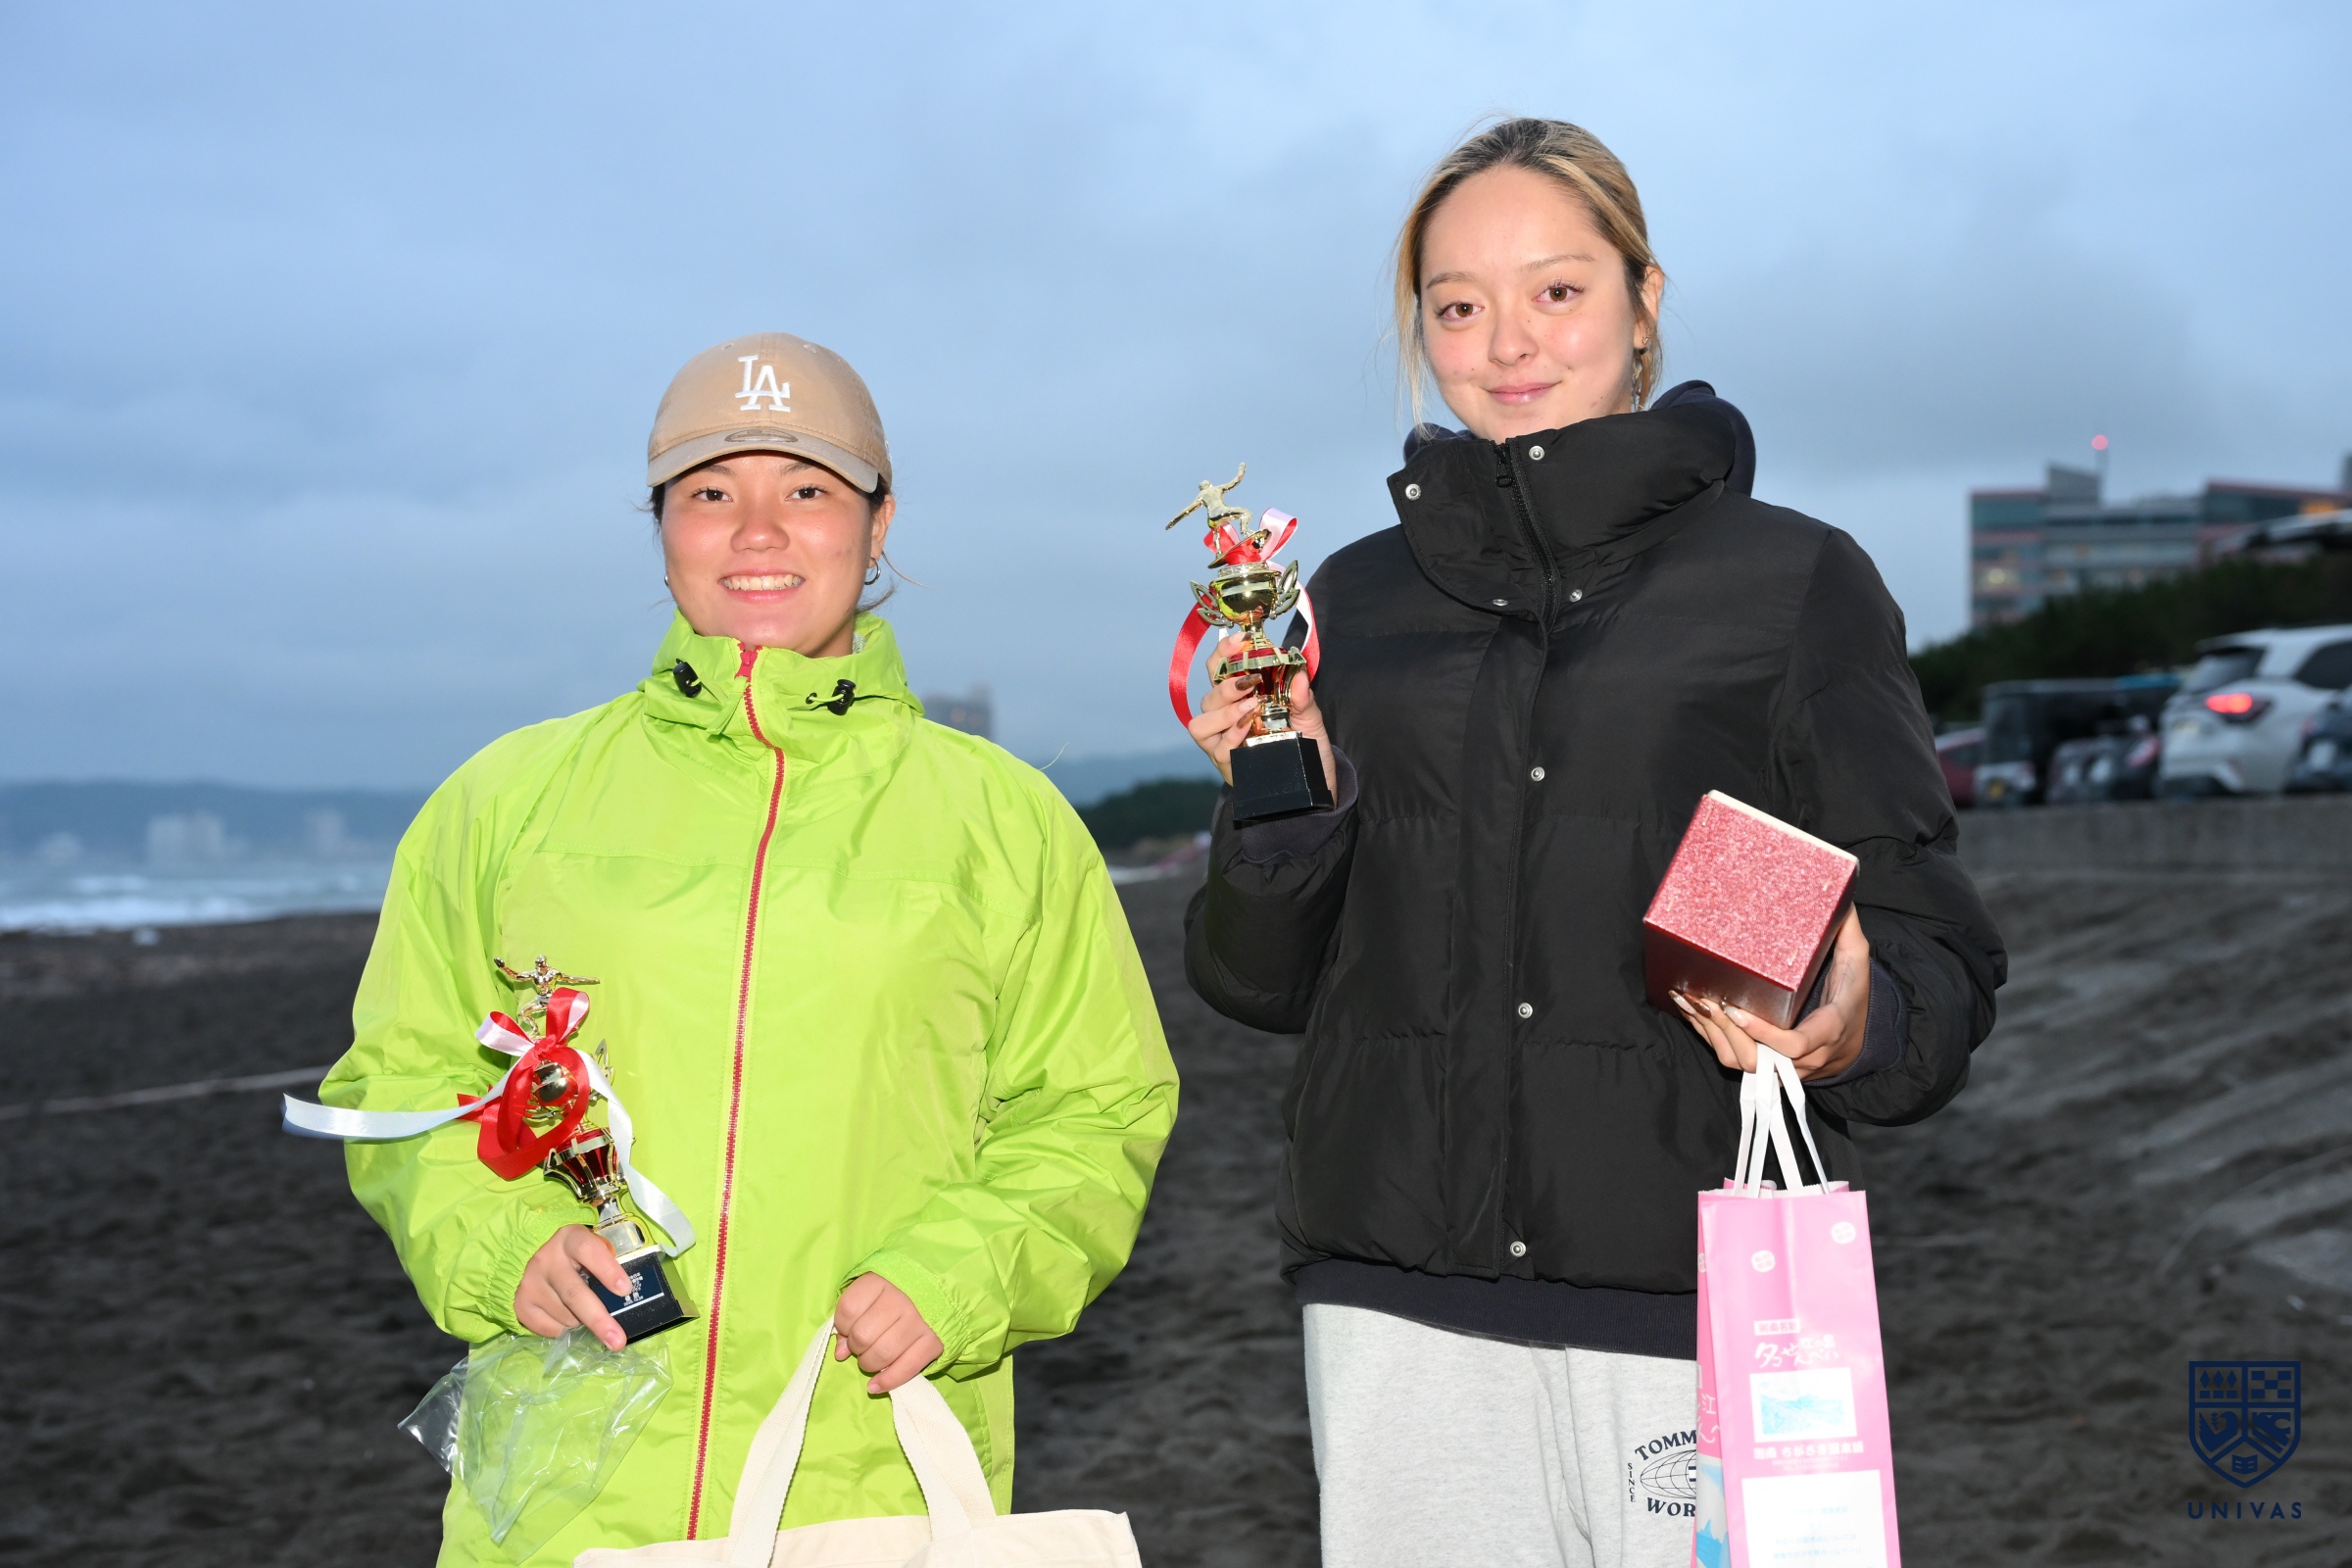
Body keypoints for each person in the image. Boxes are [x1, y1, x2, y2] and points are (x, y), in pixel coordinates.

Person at [1182, 120, 2004, 1568]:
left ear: (1643, 299)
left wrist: (1856, 1015)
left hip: (1701, 1294)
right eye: (1457, 305)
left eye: (1556, 290)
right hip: (1396, 1304)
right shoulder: (1344, 605)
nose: (1507, 341)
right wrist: (1280, 800)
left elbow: (1936, 951)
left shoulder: (1793, 580)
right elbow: (1260, 982)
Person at [319, 333, 1178, 1565]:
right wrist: (503, 1248)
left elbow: (1095, 1108)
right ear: (662, 525)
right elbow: (403, 1083)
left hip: (866, 1479)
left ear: (879, 527)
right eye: (713, 491)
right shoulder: (505, 799)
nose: (758, 531)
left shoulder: (1008, 820)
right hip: (568, 1496)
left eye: (808, 489)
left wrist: (958, 1274)